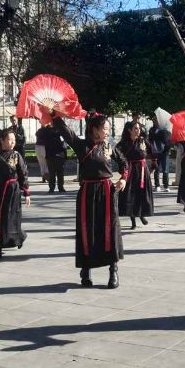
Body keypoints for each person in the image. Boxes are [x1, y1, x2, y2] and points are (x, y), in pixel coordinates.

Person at [52, 111, 128, 288]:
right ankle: (86, 270)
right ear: (95, 130)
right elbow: (65, 131)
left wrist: (123, 178)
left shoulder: (109, 147)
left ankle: (113, 270)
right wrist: (54, 115)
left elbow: (124, 162)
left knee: (110, 230)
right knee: (87, 230)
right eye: (105, 128)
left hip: (107, 192)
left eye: (108, 128)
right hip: (87, 193)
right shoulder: (81, 145)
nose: (108, 132)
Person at [0, 127, 31, 259]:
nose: (12, 142)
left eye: (14, 140)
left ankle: (19, 237)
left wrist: (26, 192)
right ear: (2, 140)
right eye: (9, 139)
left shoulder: (16, 155)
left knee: (13, 217)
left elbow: (23, 173)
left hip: (13, 190)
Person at [116, 122, 154, 229]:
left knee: (141, 193)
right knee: (130, 194)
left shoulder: (143, 141)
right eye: (135, 128)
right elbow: (116, 154)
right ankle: (133, 220)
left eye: (139, 128)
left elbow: (152, 152)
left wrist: (153, 165)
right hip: (130, 170)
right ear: (130, 130)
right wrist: (123, 165)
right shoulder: (124, 143)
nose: (138, 130)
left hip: (142, 170)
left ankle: (141, 214)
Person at [36, 120, 67, 193]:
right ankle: (52, 187)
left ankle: (60, 187)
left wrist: (64, 154)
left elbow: (64, 140)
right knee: (52, 172)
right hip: (50, 154)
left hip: (59, 153)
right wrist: (44, 125)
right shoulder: (46, 130)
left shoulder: (59, 129)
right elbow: (38, 134)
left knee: (60, 172)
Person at [147, 117, 170, 192]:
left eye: (156, 120)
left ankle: (166, 185)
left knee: (165, 169)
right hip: (156, 151)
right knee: (157, 168)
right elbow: (150, 140)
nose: (154, 121)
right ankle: (157, 185)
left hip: (165, 152)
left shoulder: (164, 129)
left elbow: (168, 140)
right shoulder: (152, 130)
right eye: (154, 120)